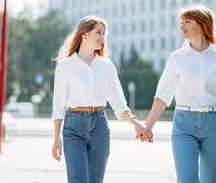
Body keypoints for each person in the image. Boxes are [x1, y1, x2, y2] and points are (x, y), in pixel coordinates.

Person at [143, 4, 216, 183]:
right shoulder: (176, 58)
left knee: (211, 180)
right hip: (184, 124)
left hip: (214, 124)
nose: (182, 27)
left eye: (187, 21)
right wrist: (148, 126)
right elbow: (163, 95)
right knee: (186, 179)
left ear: (201, 24)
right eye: (181, 22)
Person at [51, 15, 151, 183]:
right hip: (73, 127)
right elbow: (58, 106)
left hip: (100, 126)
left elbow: (118, 102)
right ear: (84, 35)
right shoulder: (65, 66)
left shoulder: (106, 66)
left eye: (104, 34)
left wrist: (135, 123)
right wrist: (56, 138)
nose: (102, 38)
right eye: (98, 33)